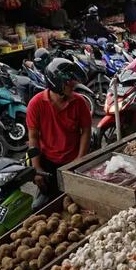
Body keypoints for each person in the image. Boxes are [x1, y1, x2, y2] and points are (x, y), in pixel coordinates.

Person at [26, 58, 91, 209]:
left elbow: (86, 131)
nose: (74, 84)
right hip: (48, 163)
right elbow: (33, 137)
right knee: (44, 206)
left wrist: (80, 160)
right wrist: (37, 169)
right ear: (57, 83)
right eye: (69, 82)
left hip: (73, 161)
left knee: (78, 204)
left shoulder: (79, 102)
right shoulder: (36, 104)